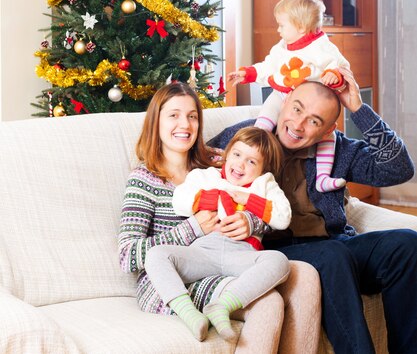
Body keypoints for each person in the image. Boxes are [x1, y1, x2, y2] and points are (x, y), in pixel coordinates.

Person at [212, 67, 417, 353]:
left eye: (314, 121)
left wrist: (357, 107)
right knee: (334, 255)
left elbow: (399, 168)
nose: (298, 125)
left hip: (334, 247)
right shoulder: (249, 136)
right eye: (296, 109)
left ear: (328, 129)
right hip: (275, 252)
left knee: (407, 244)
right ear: (284, 102)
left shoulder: (339, 150)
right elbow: (200, 171)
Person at [118, 81, 320, 353]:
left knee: (305, 275)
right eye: (174, 115)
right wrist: (193, 228)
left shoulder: (217, 161)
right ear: (156, 121)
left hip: (230, 260)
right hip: (174, 280)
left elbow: (258, 196)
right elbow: (127, 255)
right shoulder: (143, 180)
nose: (185, 124)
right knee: (268, 302)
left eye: (192, 116)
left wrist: (251, 222)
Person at [144, 126, 291, 341]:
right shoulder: (206, 176)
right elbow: (179, 201)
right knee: (156, 254)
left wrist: (248, 199)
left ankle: (222, 306)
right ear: (227, 153)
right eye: (237, 154)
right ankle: (190, 314)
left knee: (279, 261)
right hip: (203, 251)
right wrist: (205, 199)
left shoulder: (265, 185)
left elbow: (283, 218)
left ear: (263, 169)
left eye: (252, 162)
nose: (241, 164)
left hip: (242, 254)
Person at [228, 0, 350, 192]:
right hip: (284, 95)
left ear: (301, 28)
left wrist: (334, 76)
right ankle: (257, 144)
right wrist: (248, 73)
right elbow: (268, 66)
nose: (278, 29)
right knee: (267, 110)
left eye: (282, 25)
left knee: (328, 136)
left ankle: (322, 177)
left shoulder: (322, 47)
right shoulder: (282, 47)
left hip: (313, 103)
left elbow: (342, 67)